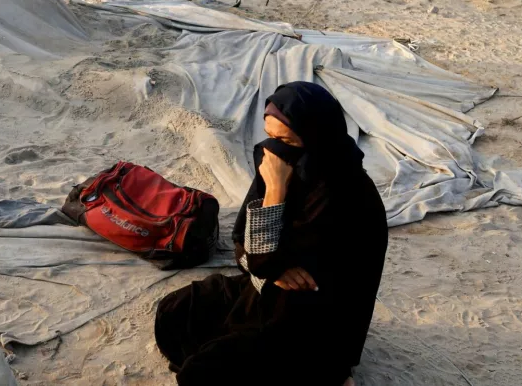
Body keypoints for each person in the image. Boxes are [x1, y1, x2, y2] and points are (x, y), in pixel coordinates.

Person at [155, 82, 389, 386]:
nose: (273, 150)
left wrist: (276, 192)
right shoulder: (285, 167)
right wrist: (272, 271)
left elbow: (261, 260)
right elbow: (243, 246)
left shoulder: (342, 194)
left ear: (315, 137)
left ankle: (331, 374)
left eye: (286, 140)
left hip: (313, 321)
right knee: (175, 313)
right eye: (271, 137)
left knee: (201, 373)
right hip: (265, 293)